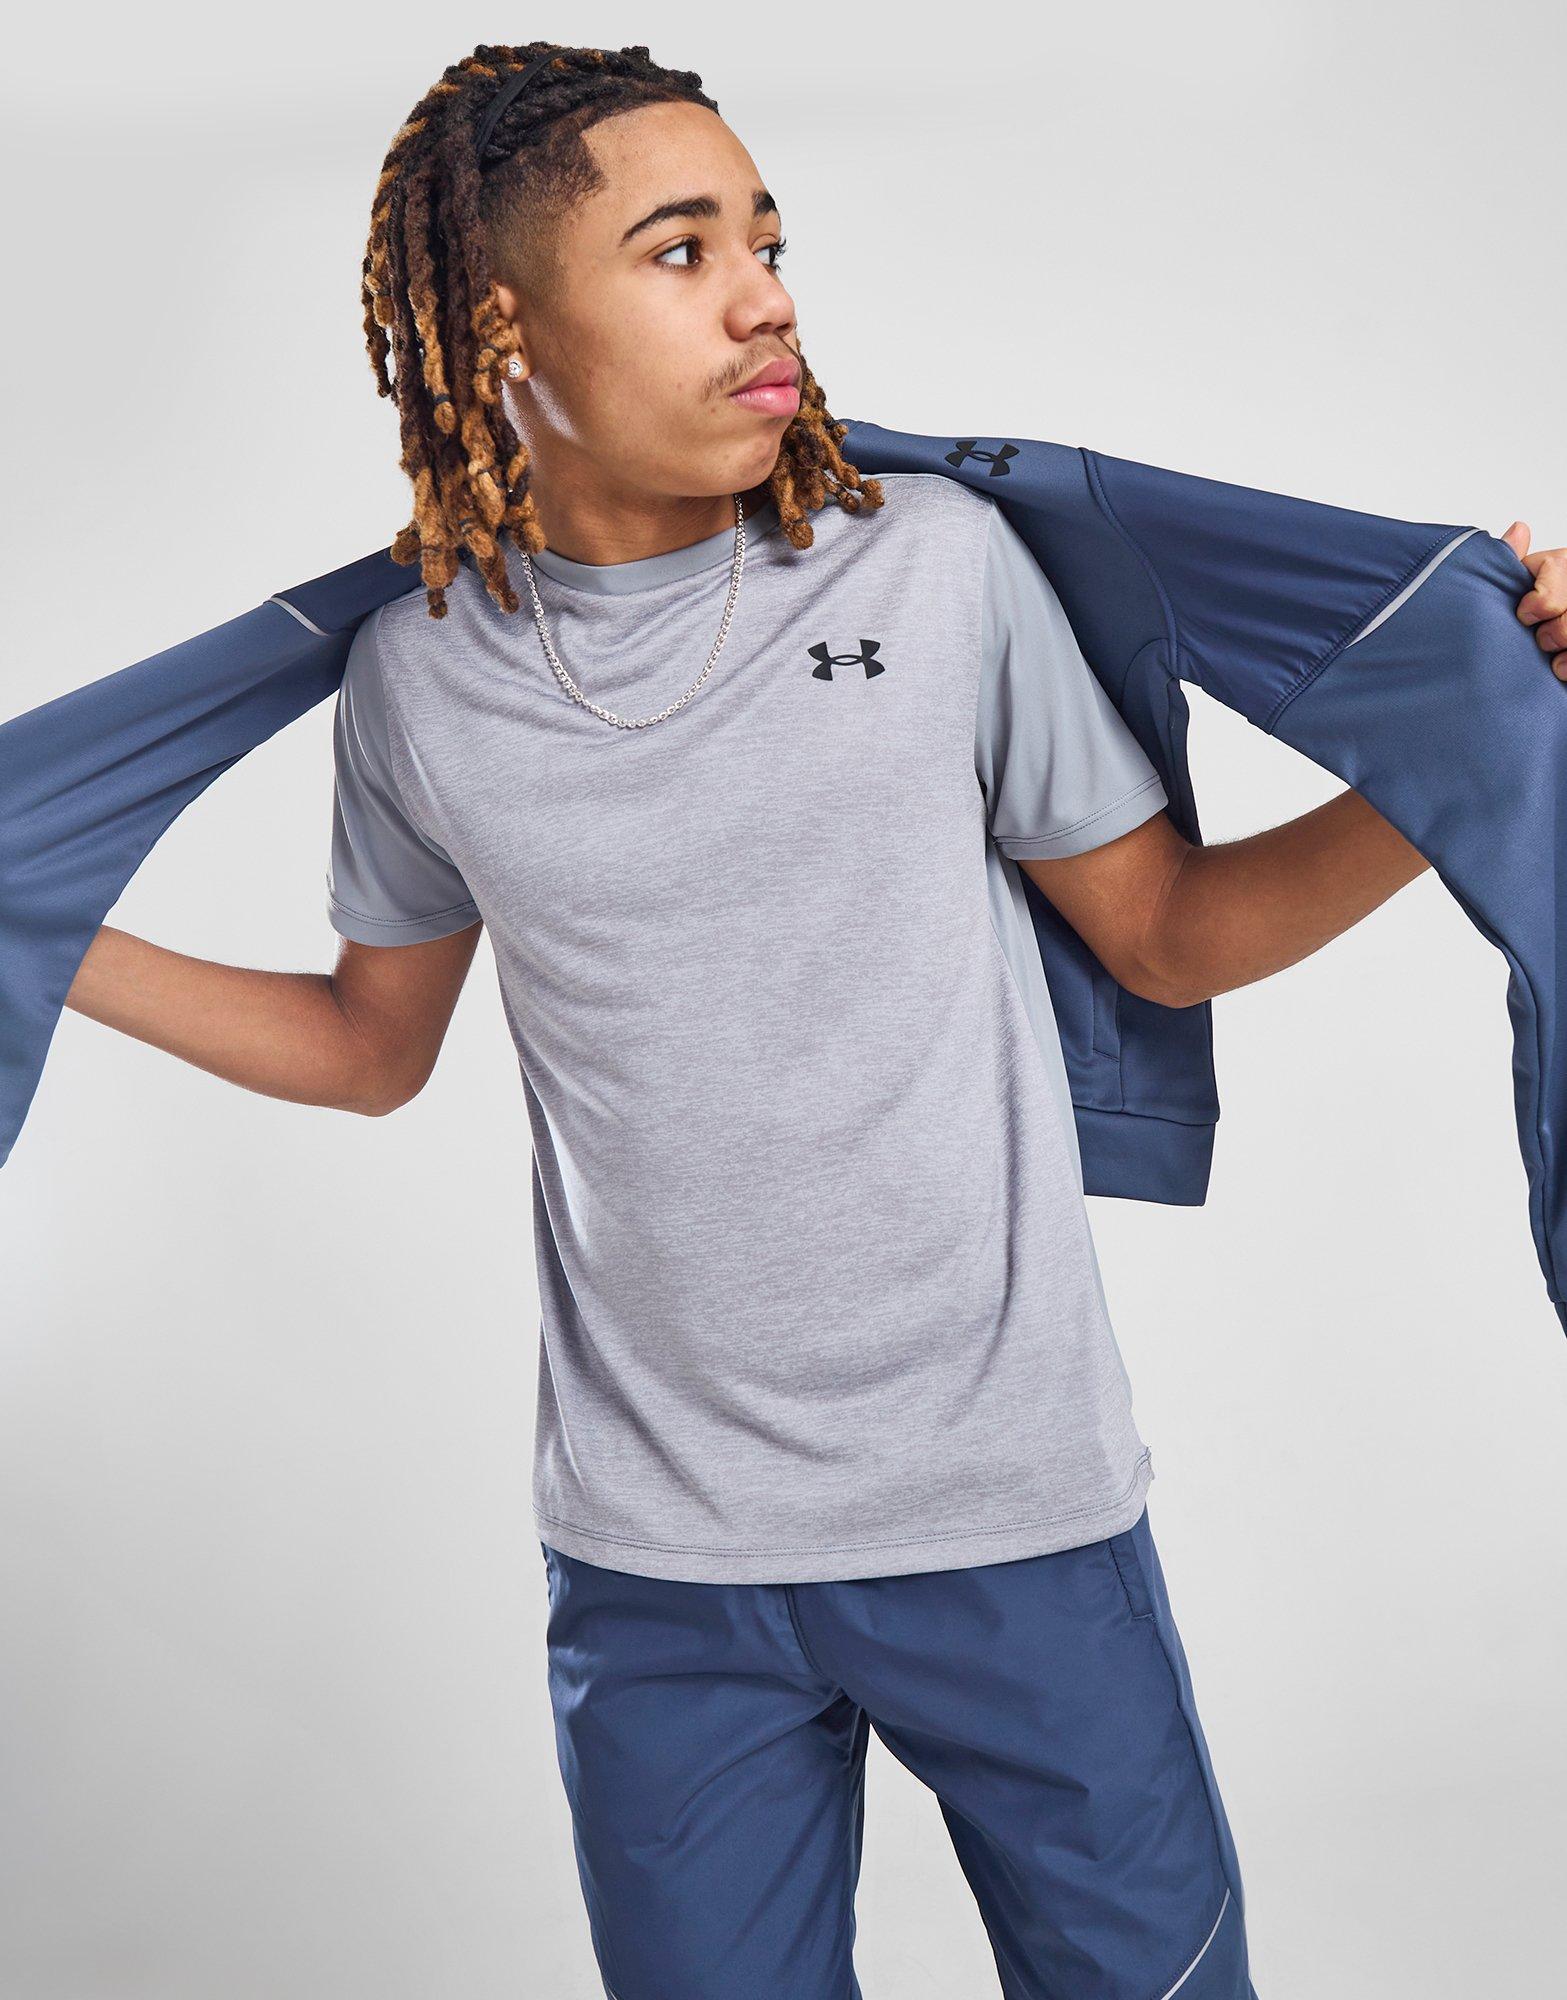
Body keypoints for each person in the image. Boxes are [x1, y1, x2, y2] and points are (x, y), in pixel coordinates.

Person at [62, 40, 1567, 2000]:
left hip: (1012, 1521)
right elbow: (370, 1045)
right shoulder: (420, 682)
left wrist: (1479, 747)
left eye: (766, 242)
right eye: (681, 251)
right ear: (499, 321)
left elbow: (1167, 937)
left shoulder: (937, 570)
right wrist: (47, 936)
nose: (764, 297)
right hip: (654, 1568)